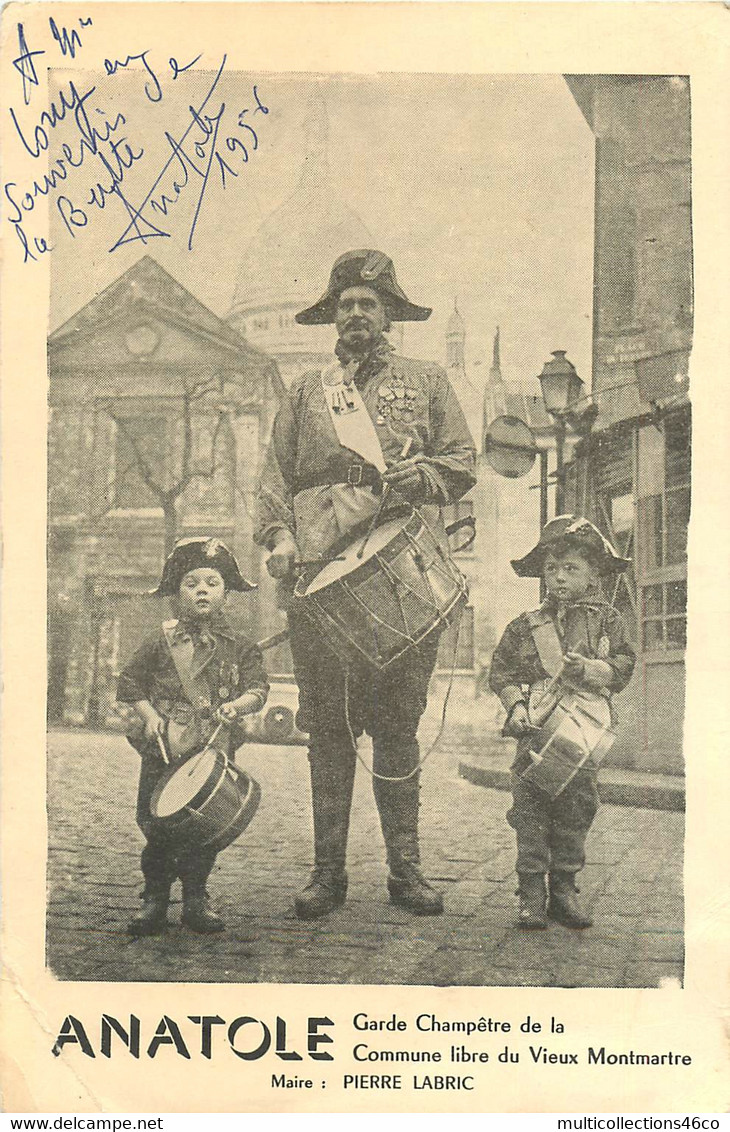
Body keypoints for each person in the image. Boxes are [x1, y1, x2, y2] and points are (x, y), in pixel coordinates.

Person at [256, 249, 476, 920]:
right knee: (328, 728)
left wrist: (417, 477)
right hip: (321, 576)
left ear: (388, 317)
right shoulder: (305, 391)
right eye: (346, 303)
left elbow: (462, 463)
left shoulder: (428, 380)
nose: (357, 313)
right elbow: (274, 481)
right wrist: (280, 537)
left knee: (398, 726)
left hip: (399, 575)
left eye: (369, 305)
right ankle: (328, 875)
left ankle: (406, 872)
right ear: (333, 317)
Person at [489, 516, 636, 930]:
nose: (558, 577)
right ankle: (531, 895)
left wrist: (590, 668)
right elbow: (501, 673)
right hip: (537, 728)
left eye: (571, 568)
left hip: (584, 731)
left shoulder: (609, 622)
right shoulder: (524, 625)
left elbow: (624, 667)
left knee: (576, 809)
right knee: (530, 810)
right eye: (551, 569)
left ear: (593, 575)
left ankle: (565, 891)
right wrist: (516, 708)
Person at [117, 537, 269, 937]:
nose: (202, 590)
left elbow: (258, 690)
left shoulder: (242, 646)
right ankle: (154, 899)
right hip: (165, 746)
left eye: (212, 582)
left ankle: (197, 899)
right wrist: (149, 716)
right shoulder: (159, 640)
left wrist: (237, 706)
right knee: (157, 822)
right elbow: (129, 682)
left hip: (212, 750)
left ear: (226, 594)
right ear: (177, 592)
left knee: (203, 827)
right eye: (191, 583)